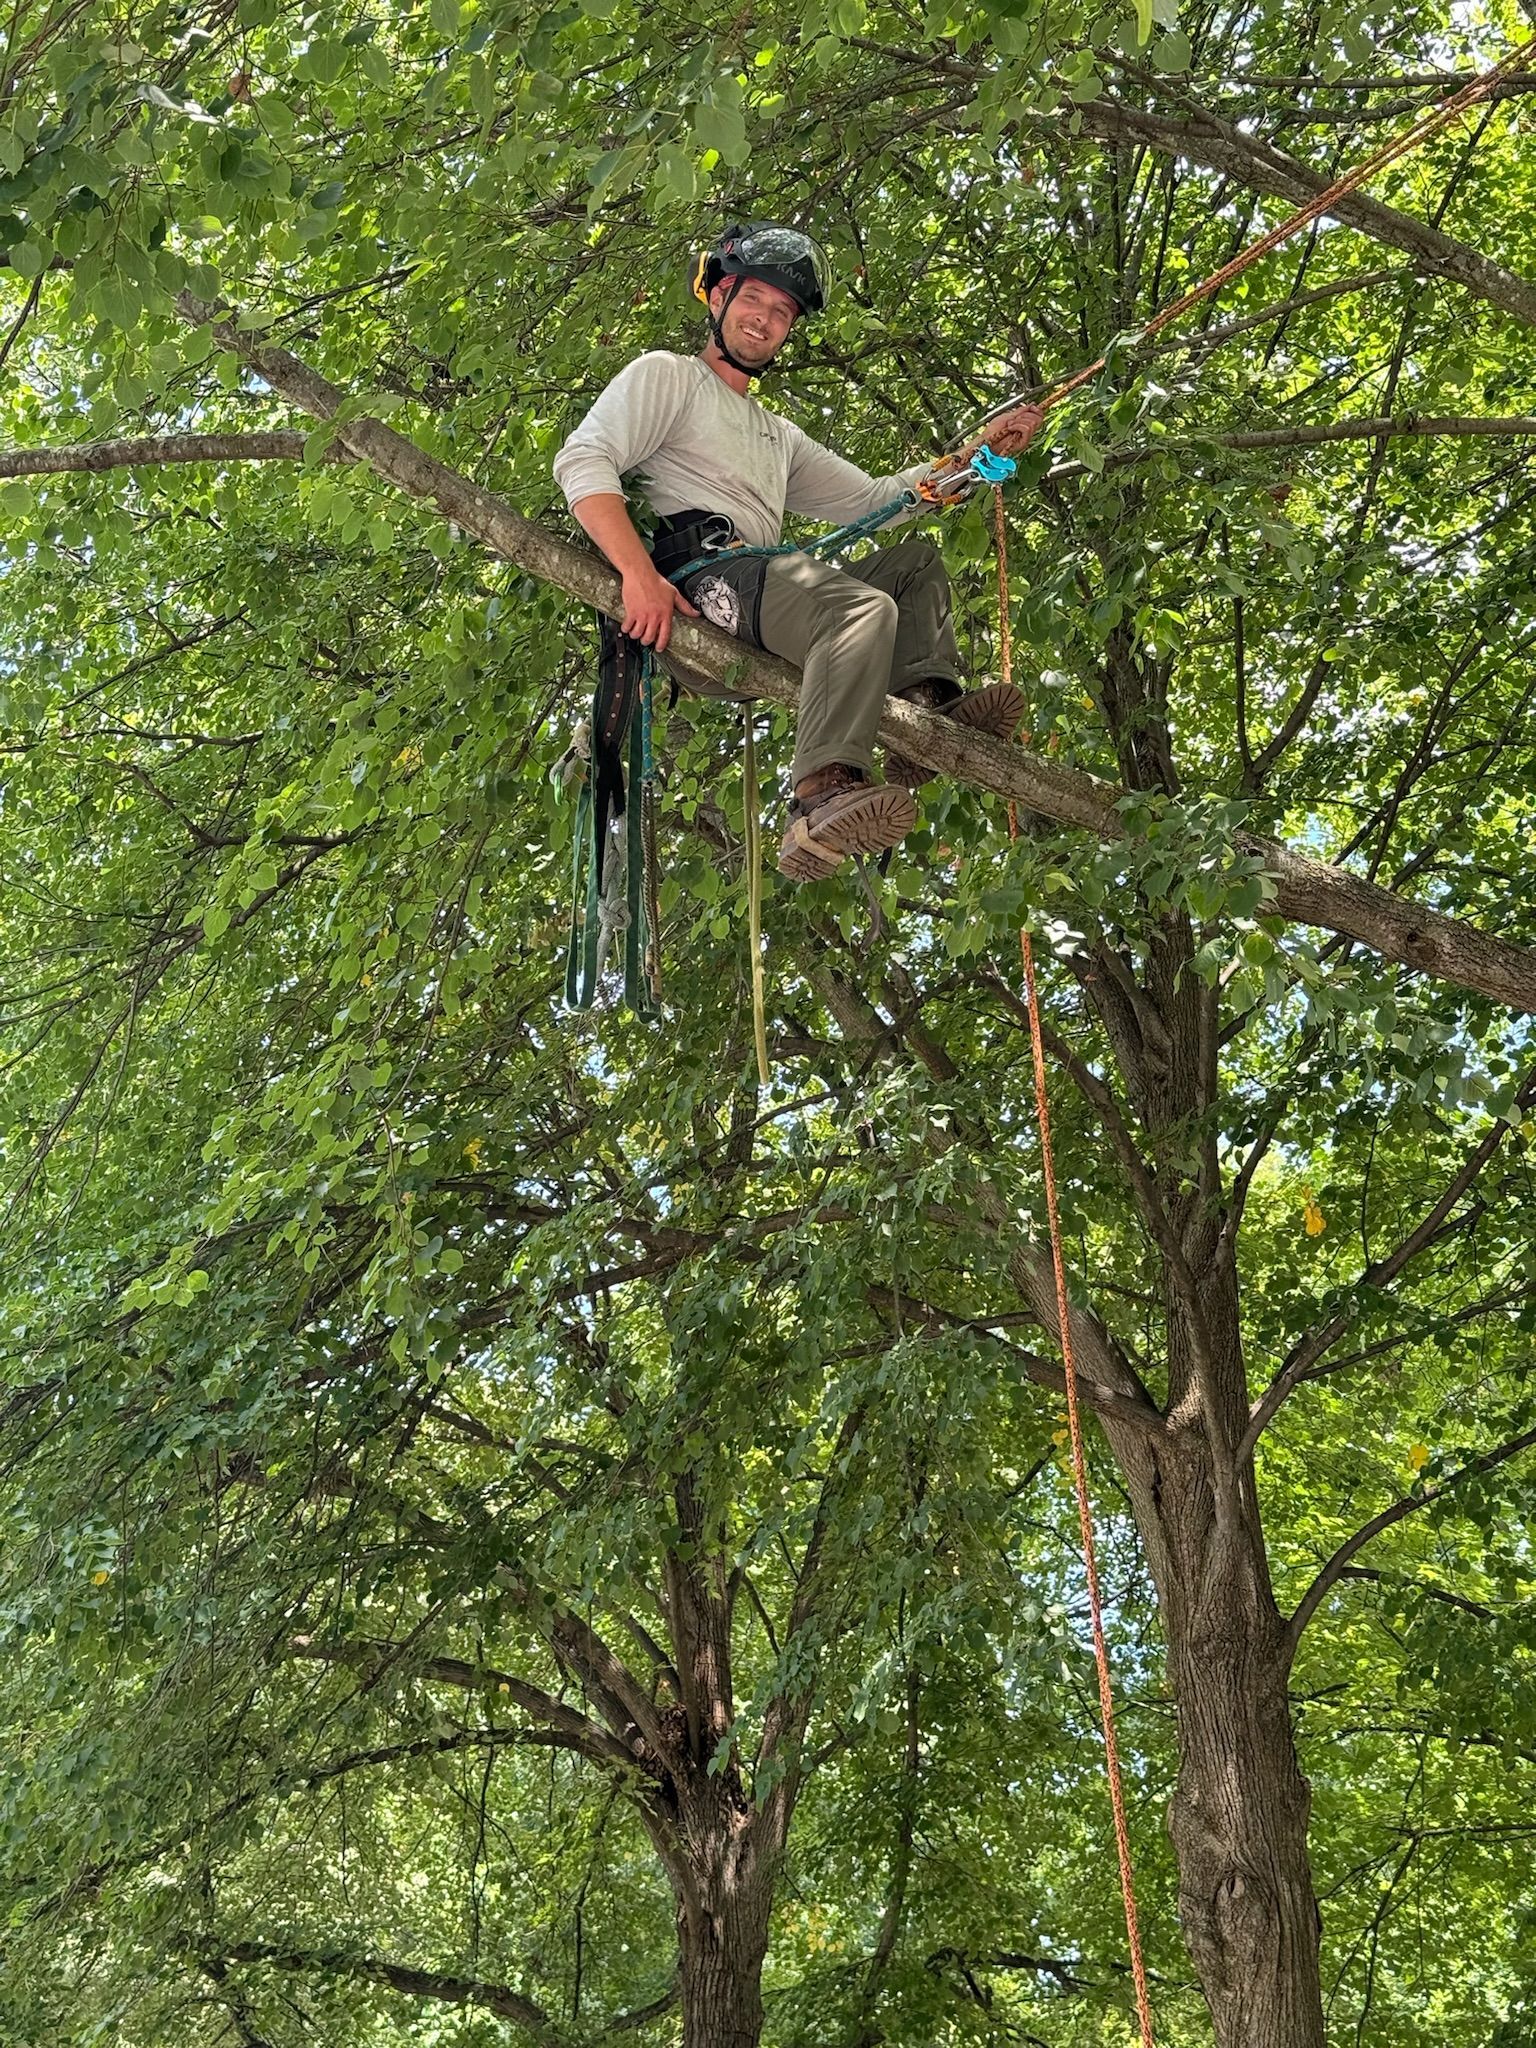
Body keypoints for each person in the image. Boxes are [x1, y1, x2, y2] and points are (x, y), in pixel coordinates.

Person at [553, 221, 1042, 880]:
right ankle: (819, 796)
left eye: (782, 312)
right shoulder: (668, 377)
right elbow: (584, 461)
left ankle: (918, 715)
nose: (766, 320)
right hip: (703, 585)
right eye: (755, 299)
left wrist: (978, 455)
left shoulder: (775, 434)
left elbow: (880, 499)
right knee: (858, 609)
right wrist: (637, 577)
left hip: (761, 587)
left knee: (913, 567)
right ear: (718, 296)